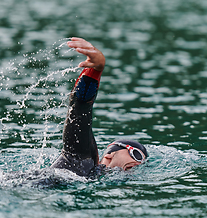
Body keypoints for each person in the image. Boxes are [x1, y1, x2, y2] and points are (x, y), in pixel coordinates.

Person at [49, 37, 149, 178]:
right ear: (109, 155)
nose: (140, 164)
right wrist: (96, 70)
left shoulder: (94, 177)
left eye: (143, 163)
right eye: (137, 155)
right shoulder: (82, 159)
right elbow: (80, 107)